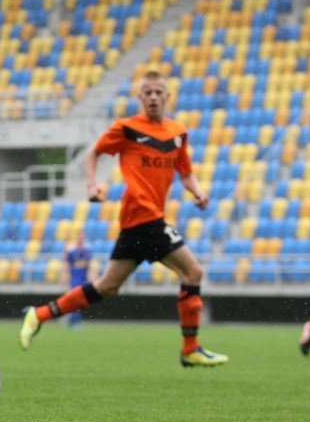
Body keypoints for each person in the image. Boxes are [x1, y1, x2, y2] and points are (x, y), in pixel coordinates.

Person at [19, 70, 229, 368]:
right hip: (144, 216)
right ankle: (190, 348)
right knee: (193, 272)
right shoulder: (127, 128)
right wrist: (92, 184)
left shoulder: (177, 133)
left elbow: (186, 171)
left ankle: (39, 315)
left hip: (137, 224)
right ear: (140, 97)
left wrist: (198, 191)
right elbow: (94, 154)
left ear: (168, 97)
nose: (154, 97)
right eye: (148, 92)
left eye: (159, 92)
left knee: (107, 286)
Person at [61, 231, 92, 330]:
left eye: (82, 237)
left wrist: (91, 277)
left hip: (83, 277)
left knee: (81, 299)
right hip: (75, 277)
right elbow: (67, 264)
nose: (81, 239)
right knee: (75, 298)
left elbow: (89, 264)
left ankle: (72, 318)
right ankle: (75, 320)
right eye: (79, 237)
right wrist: (65, 277)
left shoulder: (87, 249)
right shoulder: (72, 250)